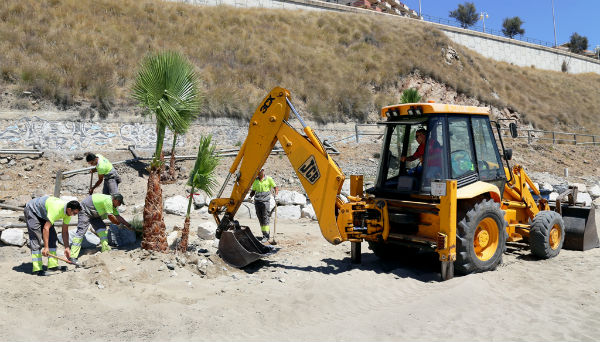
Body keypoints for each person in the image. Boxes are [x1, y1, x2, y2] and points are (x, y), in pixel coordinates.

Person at [24, 196, 81, 276]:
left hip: (44, 213)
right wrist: (46, 247)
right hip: (32, 210)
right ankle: (37, 269)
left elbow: (65, 231)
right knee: (36, 238)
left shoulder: (68, 214)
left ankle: (52, 265)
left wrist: (67, 247)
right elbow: (46, 228)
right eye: (74, 213)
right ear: (69, 209)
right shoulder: (57, 210)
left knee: (53, 238)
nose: (74, 215)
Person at [69, 193, 131, 262]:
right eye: (119, 203)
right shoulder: (108, 201)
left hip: (94, 214)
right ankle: (73, 256)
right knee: (81, 232)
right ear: (115, 200)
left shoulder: (112, 205)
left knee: (102, 229)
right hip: (85, 210)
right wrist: (118, 224)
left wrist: (128, 225)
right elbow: (110, 217)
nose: (119, 205)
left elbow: (118, 217)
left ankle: (105, 250)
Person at [249, 169, 278, 243]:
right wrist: (250, 196)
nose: (258, 173)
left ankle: (266, 236)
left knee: (265, 218)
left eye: (259, 171)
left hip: (265, 202)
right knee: (260, 218)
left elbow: (275, 187)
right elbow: (253, 190)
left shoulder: (268, 179)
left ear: (263, 171)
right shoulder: (256, 180)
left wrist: (276, 195)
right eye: (257, 172)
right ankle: (264, 234)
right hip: (257, 201)